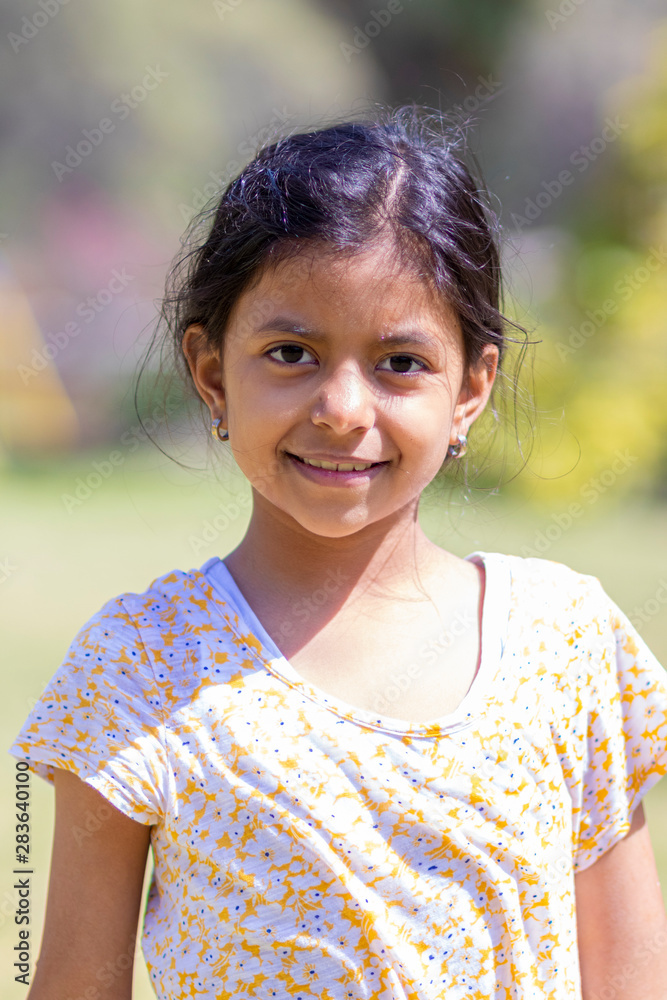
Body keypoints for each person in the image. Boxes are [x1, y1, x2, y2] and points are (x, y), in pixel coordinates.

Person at [10, 107, 667, 1000]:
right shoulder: (142, 666)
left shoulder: (565, 645)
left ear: (470, 388)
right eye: (291, 353)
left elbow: (631, 977)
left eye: (399, 363)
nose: (343, 410)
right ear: (212, 374)